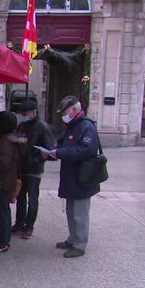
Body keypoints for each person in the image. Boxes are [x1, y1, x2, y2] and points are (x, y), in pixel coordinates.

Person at [42, 96, 100, 258]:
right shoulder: (71, 126)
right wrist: (52, 153)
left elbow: (86, 150)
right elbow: (63, 145)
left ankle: (80, 245)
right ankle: (73, 238)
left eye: (65, 112)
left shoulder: (86, 127)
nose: (63, 115)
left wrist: (59, 152)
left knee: (80, 213)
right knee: (70, 210)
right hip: (71, 176)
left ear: (75, 110)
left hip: (83, 177)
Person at [0, 111, 27, 253]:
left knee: (2, 212)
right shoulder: (8, 140)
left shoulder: (4, 143)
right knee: (3, 212)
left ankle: (3, 241)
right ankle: (3, 238)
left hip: (1, 182)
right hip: (4, 181)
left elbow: (3, 164)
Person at [12, 99, 54, 239]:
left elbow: (49, 150)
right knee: (20, 196)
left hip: (34, 168)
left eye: (25, 113)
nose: (23, 115)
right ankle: (19, 223)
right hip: (21, 167)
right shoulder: (22, 126)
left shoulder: (42, 127)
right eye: (22, 113)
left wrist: (39, 159)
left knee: (32, 199)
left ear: (34, 112)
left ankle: (29, 226)